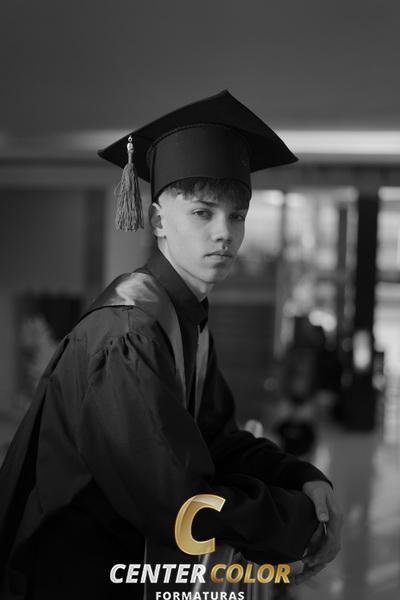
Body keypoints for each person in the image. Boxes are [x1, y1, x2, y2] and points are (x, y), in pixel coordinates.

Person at [0, 90, 342, 599]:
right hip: (78, 576)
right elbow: (179, 503)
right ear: (159, 221)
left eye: (237, 215)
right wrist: (300, 523)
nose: (225, 233)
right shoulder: (128, 334)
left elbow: (216, 440)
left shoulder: (184, 318)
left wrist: (300, 477)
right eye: (203, 213)